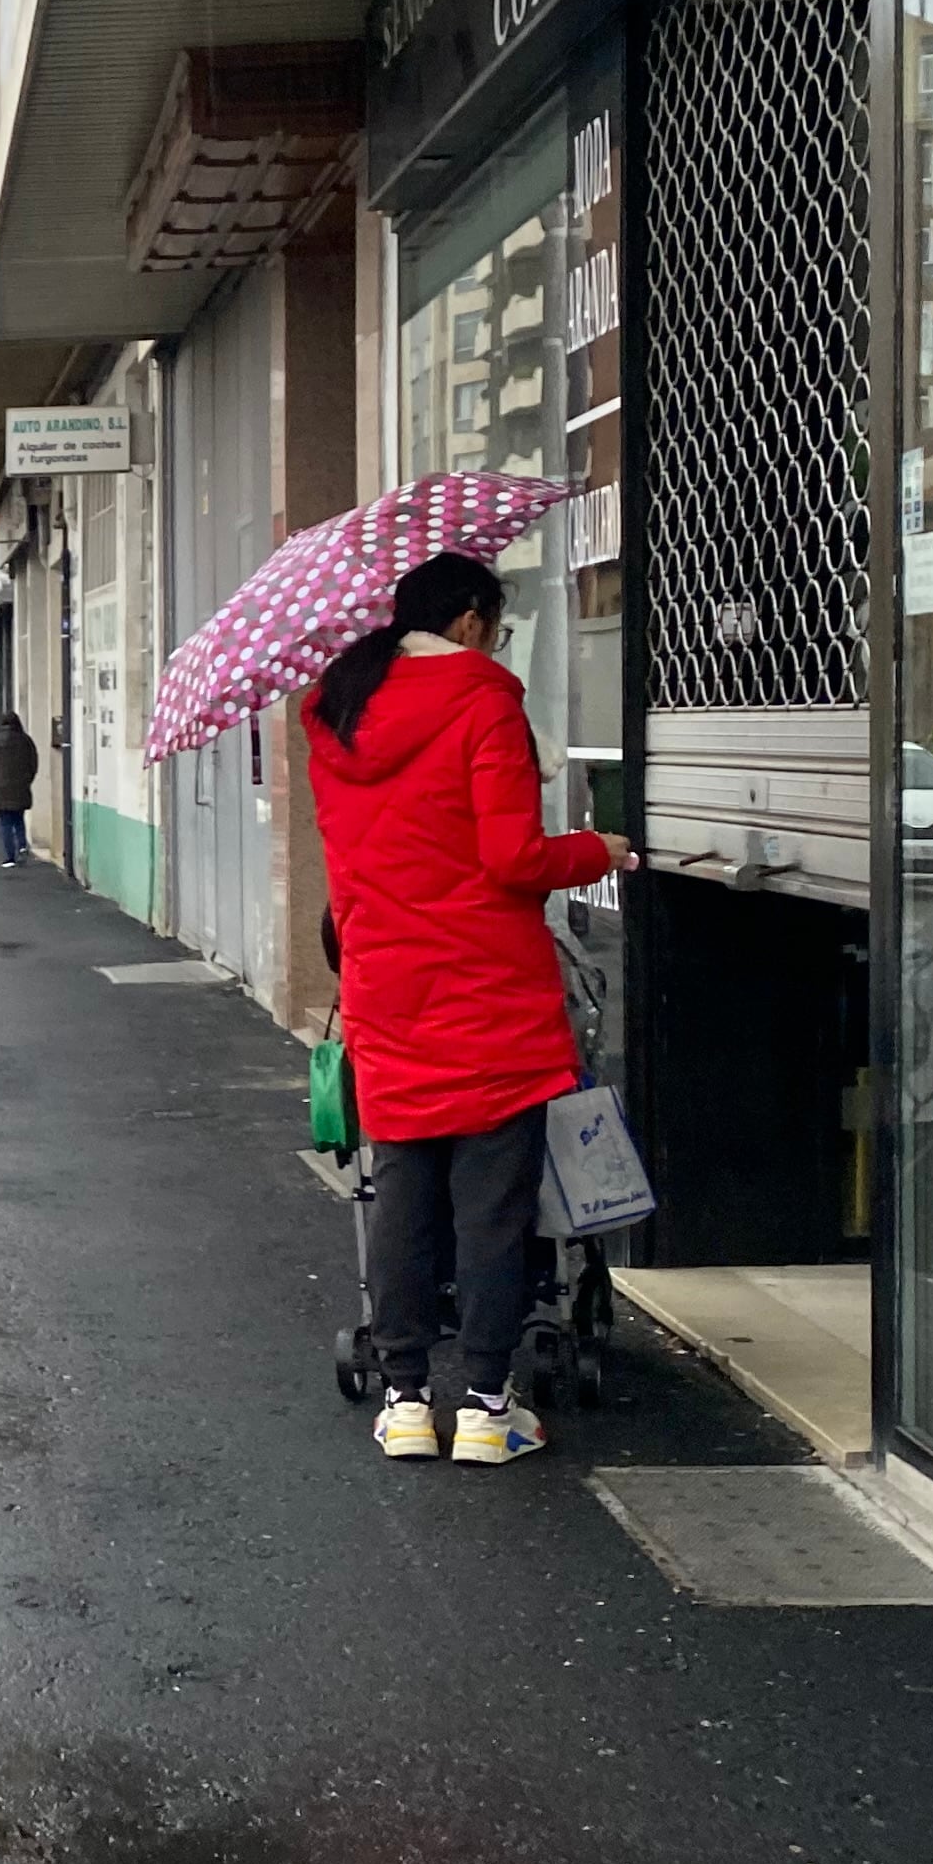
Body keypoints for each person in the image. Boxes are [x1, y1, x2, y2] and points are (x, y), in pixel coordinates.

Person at [302, 552, 627, 1468]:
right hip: (488, 996)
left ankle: (406, 1399)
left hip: (387, 991)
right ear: (475, 620)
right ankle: (486, 1408)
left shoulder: (337, 709)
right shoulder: (483, 696)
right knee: (493, 1211)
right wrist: (596, 848)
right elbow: (514, 859)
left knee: (403, 1198)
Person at [0, 711, 40, 865]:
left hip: (0, 790)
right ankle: (22, 845)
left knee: (6, 824)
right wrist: (27, 780)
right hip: (21, 788)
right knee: (19, 820)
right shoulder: (26, 740)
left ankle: (10, 857)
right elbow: (33, 763)